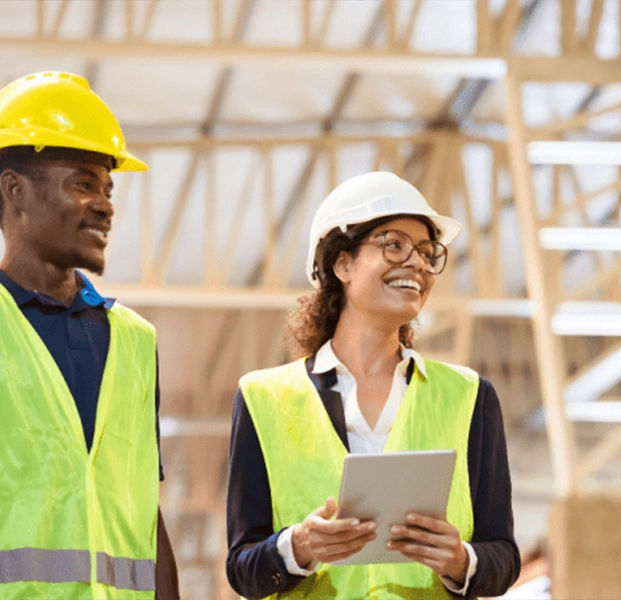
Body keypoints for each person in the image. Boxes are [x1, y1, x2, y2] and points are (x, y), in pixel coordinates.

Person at [226, 171, 520, 598]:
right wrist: (299, 547)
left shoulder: (470, 397)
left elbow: (504, 557)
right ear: (341, 262)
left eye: (426, 251)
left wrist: (460, 560)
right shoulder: (263, 399)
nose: (418, 263)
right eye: (394, 245)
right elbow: (242, 568)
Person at [0, 72, 179, 599]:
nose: (105, 204)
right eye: (83, 183)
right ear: (15, 190)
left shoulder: (134, 341)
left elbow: (148, 516)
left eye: (108, 188)